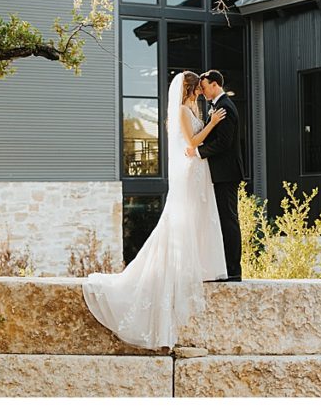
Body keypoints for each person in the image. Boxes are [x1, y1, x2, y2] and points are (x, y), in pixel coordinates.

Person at [82, 71, 227, 349]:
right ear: (190, 88)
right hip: (189, 172)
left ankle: (194, 263)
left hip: (197, 170)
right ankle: (175, 266)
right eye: (197, 87)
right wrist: (212, 124)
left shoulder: (192, 108)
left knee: (195, 218)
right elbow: (192, 142)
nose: (200, 91)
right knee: (181, 219)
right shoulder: (183, 112)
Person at [188, 69, 246, 281]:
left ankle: (234, 270)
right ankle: (224, 267)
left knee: (229, 220)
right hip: (220, 172)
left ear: (215, 85)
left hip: (227, 173)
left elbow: (224, 142)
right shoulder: (217, 107)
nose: (202, 92)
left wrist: (198, 152)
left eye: (203, 87)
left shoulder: (225, 108)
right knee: (222, 220)